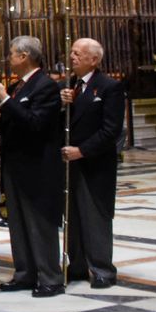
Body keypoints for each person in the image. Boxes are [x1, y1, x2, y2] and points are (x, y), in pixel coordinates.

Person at [0, 35, 65, 297]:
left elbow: (36, 124)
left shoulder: (45, 86)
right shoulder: (17, 87)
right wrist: (0, 114)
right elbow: (14, 120)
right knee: (18, 223)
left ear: (24, 56)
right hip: (15, 164)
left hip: (38, 166)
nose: (8, 58)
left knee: (39, 223)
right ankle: (25, 273)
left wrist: (5, 101)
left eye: (11, 53)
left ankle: (50, 277)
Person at [62, 37, 125, 289]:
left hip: (95, 163)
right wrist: (61, 104)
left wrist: (82, 150)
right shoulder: (68, 86)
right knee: (73, 215)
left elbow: (111, 130)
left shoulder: (109, 87)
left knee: (95, 216)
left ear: (94, 59)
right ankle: (76, 265)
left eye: (78, 53)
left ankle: (102, 269)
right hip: (69, 162)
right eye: (72, 53)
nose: (72, 57)